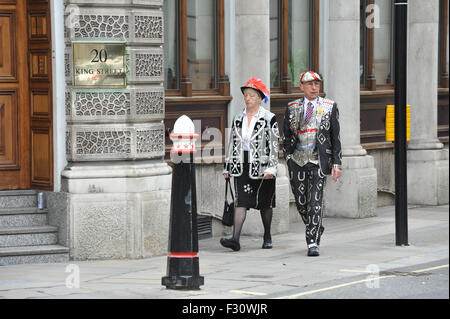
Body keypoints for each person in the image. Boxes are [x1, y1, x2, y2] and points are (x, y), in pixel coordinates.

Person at [283, 71, 342, 257]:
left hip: (318, 160)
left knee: (315, 201)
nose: (314, 88)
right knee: (301, 203)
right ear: (301, 86)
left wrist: (336, 163)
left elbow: (335, 137)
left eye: (317, 84)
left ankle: (312, 241)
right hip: (297, 160)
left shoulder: (329, 106)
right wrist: (287, 157)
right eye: (309, 84)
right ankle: (316, 226)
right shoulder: (292, 107)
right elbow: (286, 135)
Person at [221, 77, 280, 251]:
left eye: (252, 96)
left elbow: (275, 145)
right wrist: (228, 166)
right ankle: (235, 239)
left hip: (262, 165)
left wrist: (272, 167)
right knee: (241, 201)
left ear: (260, 98)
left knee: (264, 203)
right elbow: (232, 142)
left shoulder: (269, 118)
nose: (248, 99)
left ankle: (267, 235)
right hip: (241, 164)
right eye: (246, 95)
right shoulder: (237, 117)